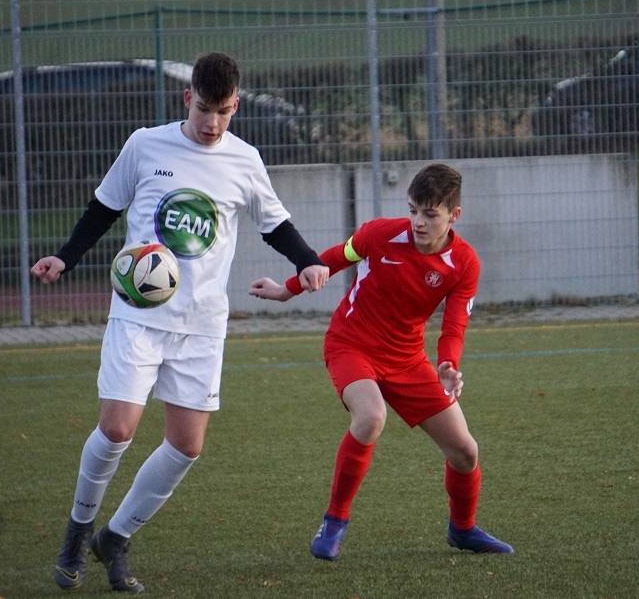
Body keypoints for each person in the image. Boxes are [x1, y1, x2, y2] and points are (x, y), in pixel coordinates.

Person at [31, 52, 329, 593]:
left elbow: (274, 223)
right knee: (117, 429)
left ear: (235, 106)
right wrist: (65, 258)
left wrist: (306, 260)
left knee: (187, 446)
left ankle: (115, 538)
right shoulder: (146, 144)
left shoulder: (244, 160)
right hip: (139, 316)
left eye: (223, 111)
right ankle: (77, 532)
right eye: (204, 109)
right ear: (186, 98)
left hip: (202, 323)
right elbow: (103, 209)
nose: (212, 123)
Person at [248, 163, 512, 560]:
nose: (418, 222)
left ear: (454, 215)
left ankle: (462, 529)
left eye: (430, 214)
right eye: (413, 210)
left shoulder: (464, 263)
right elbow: (335, 258)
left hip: (407, 359)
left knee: (465, 452)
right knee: (371, 417)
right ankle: (334, 522)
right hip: (350, 344)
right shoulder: (380, 234)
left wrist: (447, 365)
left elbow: (454, 325)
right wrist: (287, 289)